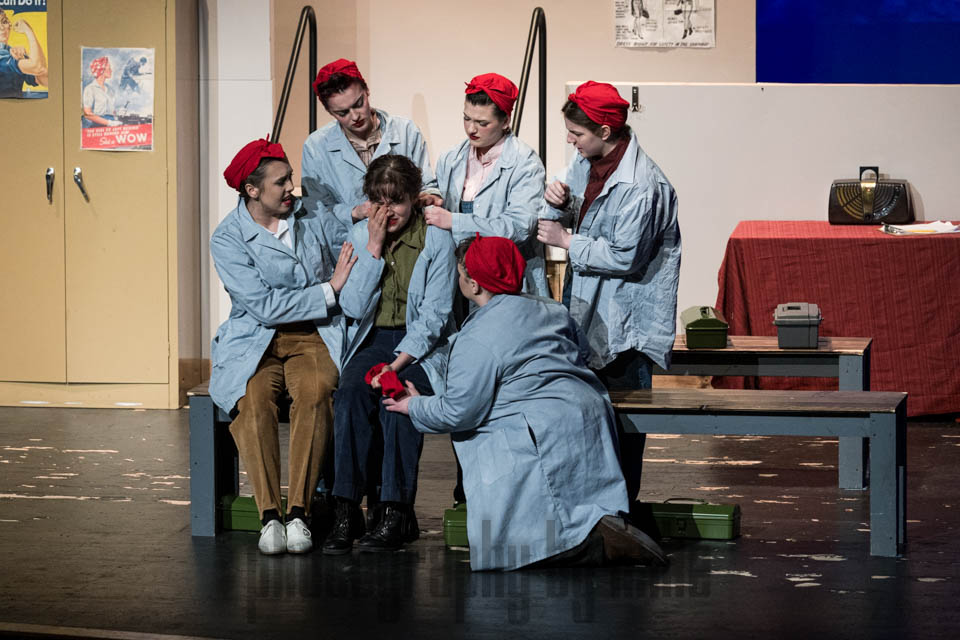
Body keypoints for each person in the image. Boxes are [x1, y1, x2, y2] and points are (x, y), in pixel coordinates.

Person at [384, 235, 667, 571]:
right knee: (575, 507)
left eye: (460, 274)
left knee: (534, 541)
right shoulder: (552, 310)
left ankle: (595, 544)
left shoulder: (477, 335)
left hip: (540, 428)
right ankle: (601, 526)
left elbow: (459, 411)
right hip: (586, 413)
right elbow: (581, 353)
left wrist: (414, 405)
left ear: (473, 284)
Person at [209, 138, 357, 555]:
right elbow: (264, 307)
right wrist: (329, 289)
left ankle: (299, 513)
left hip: (312, 332)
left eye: (290, 177)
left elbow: (347, 241)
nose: (291, 187)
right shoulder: (228, 238)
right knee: (252, 401)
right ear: (252, 190)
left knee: (316, 393)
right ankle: (269, 515)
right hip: (256, 337)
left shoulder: (310, 214)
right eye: (281, 182)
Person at [537, 81, 681, 508]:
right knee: (585, 420)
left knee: (622, 429)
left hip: (625, 324)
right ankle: (589, 513)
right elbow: (569, 218)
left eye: (577, 133)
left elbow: (624, 256)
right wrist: (557, 201)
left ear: (604, 131)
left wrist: (567, 240)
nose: (570, 141)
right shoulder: (585, 162)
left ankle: (619, 515)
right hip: (587, 311)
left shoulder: (642, 185)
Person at [323, 154, 457, 555]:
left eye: (396, 201)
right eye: (379, 201)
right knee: (349, 395)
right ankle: (346, 508)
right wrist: (374, 246)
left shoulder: (436, 239)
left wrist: (396, 366)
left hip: (421, 348)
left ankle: (395, 511)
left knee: (399, 400)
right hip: (371, 340)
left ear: (414, 198)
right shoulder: (360, 234)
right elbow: (352, 306)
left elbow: (434, 317)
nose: (388, 211)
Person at [425, 72, 549, 298]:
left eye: (482, 123)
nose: (471, 129)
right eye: (466, 118)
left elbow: (519, 227)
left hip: (505, 283)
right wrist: (433, 195)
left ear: (505, 121)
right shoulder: (451, 158)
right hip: (461, 280)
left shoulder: (525, 163)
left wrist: (455, 221)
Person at [301, 58, 441, 252]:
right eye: (342, 113)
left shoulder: (405, 131)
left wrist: (430, 197)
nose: (355, 116)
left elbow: (427, 185)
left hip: (407, 243)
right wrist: (354, 212)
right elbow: (316, 210)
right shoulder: (316, 147)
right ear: (330, 112)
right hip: (353, 248)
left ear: (367, 91)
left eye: (359, 103)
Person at [0, 11, 47, 98]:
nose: (2, 27)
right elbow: (38, 67)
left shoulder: (11, 52)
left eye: (4, 22)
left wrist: (24, 58)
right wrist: (28, 31)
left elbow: (45, 80)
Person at [82, 56, 120, 127]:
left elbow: (112, 111)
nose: (111, 70)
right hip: (97, 126)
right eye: (109, 68)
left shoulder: (110, 89)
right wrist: (108, 123)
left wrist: (119, 112)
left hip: (112, 124)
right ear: (101, 70)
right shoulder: (90, 89)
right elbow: (87, 114)